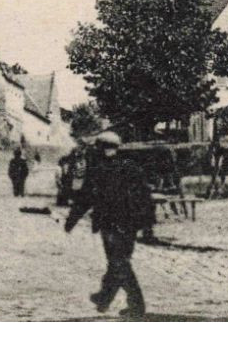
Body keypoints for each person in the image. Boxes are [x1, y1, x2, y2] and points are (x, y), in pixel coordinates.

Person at [64, 131, 154, 319]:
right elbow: (145, 196)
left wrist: (71, 221)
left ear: (99, 148)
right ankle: (104, 297)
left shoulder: (99, 169)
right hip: (129, 224)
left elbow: (86, 196)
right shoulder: (131, 166)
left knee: (119, 263)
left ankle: (135, 305)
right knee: (119, 261)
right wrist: (147, 225)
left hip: (111, 224)